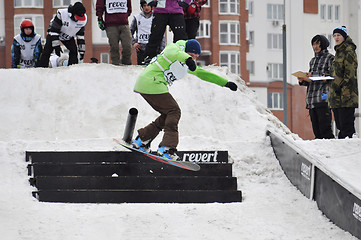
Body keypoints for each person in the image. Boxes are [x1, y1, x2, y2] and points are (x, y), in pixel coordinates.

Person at [132, 39, 238, 160]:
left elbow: (204, 74)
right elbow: (175, 53)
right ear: (185, 51)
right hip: (151, 82)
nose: (192, 59)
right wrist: (187, 59)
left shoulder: (187, 64)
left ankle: (142, 139)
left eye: (195, 57)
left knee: (167, 115)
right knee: (174, 111)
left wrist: (225, 83)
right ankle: (167, 148)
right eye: (191, 55)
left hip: (149, 84)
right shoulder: (174, 48)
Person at [298, 35, 335, 139]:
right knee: (317, 132)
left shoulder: (330, 58)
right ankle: (321, 154)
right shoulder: (312, 60)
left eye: (318, 43)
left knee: (325, 131)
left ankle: (333, 152)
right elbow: (312, 81)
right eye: (314, 44)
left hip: (323, 97)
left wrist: (313, 75)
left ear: (323, 44)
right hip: (311, 100)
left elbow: (332, 76)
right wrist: (303, 80)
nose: (315, 46)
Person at [329, 26, 358, 139]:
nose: (336, 38)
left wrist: (342, 88)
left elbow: (350, 74)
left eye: (339, 35)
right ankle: (343, 147)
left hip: (346, 95)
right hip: (337, 95)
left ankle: (350, 149)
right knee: (340, 125)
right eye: (334, 35)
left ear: (344, 37)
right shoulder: (338, 52)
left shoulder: (349, 51)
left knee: (346, 126)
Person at [37, 2, 87, 67]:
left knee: (74, 51)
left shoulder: (83, 20)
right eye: (77, 17)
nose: (78, 20)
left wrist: (82, 51)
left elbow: (80, 36)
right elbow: (54, 31)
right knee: (47, 51)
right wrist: (56, 46)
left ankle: (72, 68)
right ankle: (42, 68)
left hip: (67, 35)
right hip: (54, 33)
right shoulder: (62, 15)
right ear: (73, 14)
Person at [96, 0, 133, 65]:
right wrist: (99, 18)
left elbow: (129, 7)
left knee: (127, 45)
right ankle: (116, 65)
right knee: (114, 47)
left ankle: (126, 65)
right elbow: (100, 5)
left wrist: (125, 16)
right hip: (111, 25)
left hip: (124, 23)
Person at [130, 0, 165, 65]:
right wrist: (134, 43)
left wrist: (162, 48)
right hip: (141, 49)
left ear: (151, 6)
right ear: (142, 7)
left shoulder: (156, 17)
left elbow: (161, 33)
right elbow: (130, 32)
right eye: (144, 6)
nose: (146, 7)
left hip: (154, 48)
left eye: (148, 5)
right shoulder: (137, 18)